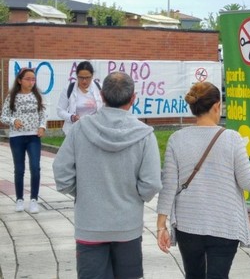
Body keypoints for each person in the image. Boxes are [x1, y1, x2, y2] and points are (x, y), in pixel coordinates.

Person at [155, 81, 250, 278]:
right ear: (217, 106)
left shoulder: (177, 139)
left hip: (188, 225)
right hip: (224, 225)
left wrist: (161, 226)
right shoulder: (232, 139)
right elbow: (248, 182)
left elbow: (168, 187)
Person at [52, 72, 162, 278]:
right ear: (133, 99)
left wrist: (83, 191)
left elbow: (61, 173)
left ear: (101, 96)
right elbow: (152, 183)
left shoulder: (80, 129)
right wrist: (133, 197)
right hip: (127, 226)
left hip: (90, 225)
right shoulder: (145, 135)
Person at [1, 68, 46, 214]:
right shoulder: (12, 97)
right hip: (17, 137)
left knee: (35, 167)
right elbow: (3, 116)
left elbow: (43, 115)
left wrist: (42, 127)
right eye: (28, 79)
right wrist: (14, 120)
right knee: (19, 169)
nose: (31, 82)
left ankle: (34, 200)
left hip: (34, 137)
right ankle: (19, 199)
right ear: (20, 80)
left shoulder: (37, 96)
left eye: (33, 79)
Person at [56, 61, 103, 135]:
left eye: (87, 78)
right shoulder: (69, 89)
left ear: (92, 75)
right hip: (75, 131)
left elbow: (106, 107)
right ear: (77, 75)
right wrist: (72, 117)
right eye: (81, 78)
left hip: (95, 131)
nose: (84, 81)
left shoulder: (100, 88)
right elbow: (60, 110)